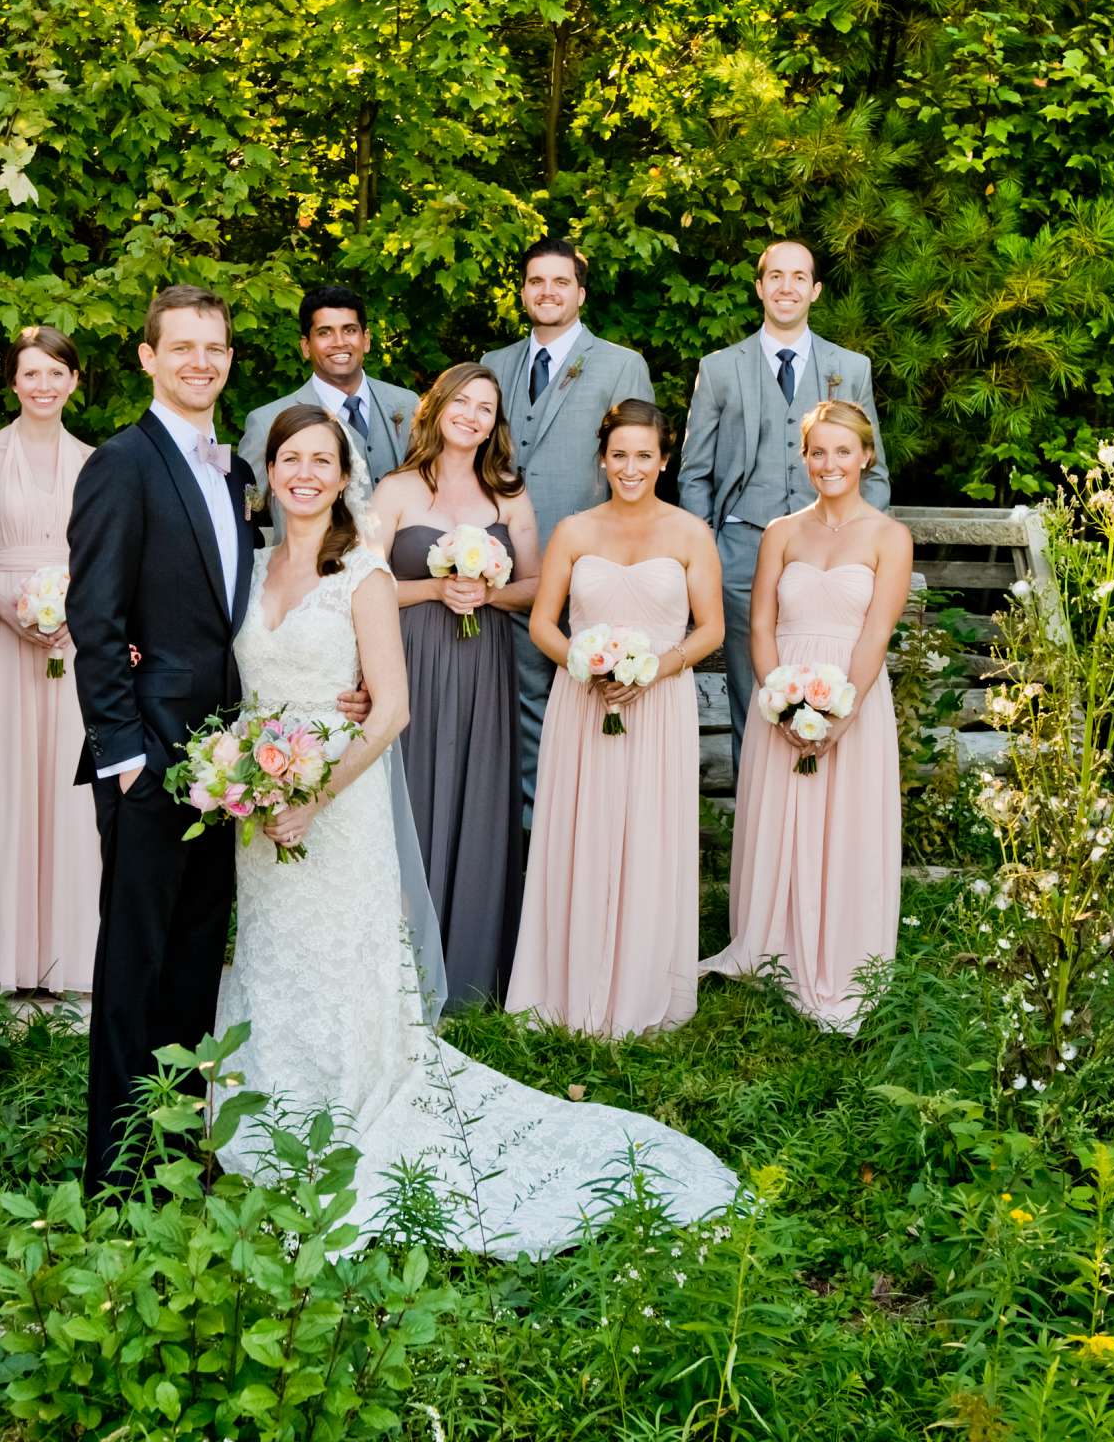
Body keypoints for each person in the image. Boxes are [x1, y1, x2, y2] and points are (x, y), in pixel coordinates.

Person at [216, 407, 737, 1258]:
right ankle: (273, 1094)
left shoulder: (366, 574)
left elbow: (391, 710)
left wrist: (316, 794)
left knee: (341, 953)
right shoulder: (248, 570)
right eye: (289, 459)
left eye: (322, 460)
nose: (303, 473)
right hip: (258, 806)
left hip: (335, 806)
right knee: (274, 951)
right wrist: (242, 771)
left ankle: (350, 1097)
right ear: (269, 471)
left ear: (344, 476)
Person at [67, 285, 368, 1194]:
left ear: (232, 360)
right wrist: (123, 757)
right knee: (135, 966)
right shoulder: (122, 464)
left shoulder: (234, 471)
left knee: (196, 960)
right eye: (183, 347)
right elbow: (94, 617)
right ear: (148, 357)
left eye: (217, 348)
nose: (202, 361)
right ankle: (117, 1175)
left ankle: (175, 1157)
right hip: (150, 761)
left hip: (226, 762)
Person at [506, 401, 722, 1037]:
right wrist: (583, 663)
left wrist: (655, 667)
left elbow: (710, 629)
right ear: (603, 459)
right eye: (620, 455)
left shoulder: (690, 533)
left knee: (651, 834)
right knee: (584, 829)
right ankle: (568, 983)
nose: (631, 467)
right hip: (584, 700)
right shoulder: (574, 531)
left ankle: (645, 983)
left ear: (664, 460)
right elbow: (544, 622)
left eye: (644, 456)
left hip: (660, 704)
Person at [700, 401, 910, 1034]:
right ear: (805, 458)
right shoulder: (781, 532)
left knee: (844, 826)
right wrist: (778, 699)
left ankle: (840, 954)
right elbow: (758, 624)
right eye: (818, 452)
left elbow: (877, 634)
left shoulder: (888, 537)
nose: (829, 463)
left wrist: (839, 716)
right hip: (782, 700)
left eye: (842, 451)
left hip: (853, 697)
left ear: (866, 457)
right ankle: (769, 945)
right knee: (779, 822)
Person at [677, 240, 890, 767]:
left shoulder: (850, 367)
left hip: (833, 560)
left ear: (815, 290)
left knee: (832, 680)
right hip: (742, 550)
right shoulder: (721, 368)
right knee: (754, 691)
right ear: (759, 287)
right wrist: (708, 555)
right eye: (776, 276)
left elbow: (875, 469)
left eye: (799, 277)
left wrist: (865, 545)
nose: (786, 287)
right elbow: (695, 472)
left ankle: (824, 810)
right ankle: (760, 814)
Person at [368, 363, 540, 1007]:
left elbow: (534, 586)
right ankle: (400, 969)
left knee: (478, 791)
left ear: (496, 423)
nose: (472, 414)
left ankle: (470, 970)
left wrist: (486, 591)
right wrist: (437, 587)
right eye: (461, 401)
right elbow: (367, 583)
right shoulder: (397, 490)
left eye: (486, 407)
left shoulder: (509, 494)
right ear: (437, 407)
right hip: (410, 660)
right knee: (410, 796)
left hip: (484, 665)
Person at [0, 327, 101, 995]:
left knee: (70, 789)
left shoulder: (97, 460)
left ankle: (69, 953)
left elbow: (102, 558)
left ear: (73, 382)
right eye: (29, 374)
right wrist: (10, 611)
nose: (42, 385)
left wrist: (76, 615)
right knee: (0, 779)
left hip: (74, 638)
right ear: (12, 382)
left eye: (54, 374)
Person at [476, 237, 655, 812]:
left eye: (560, 282)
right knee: (514, 705)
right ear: (523, 292)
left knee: (592, 704)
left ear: (580, 292)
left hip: (589, 569)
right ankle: (525, 836)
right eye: (535, 281)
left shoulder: (621, 364)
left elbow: (636, 473)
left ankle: (587, 827)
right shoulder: (493, 366)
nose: (546, 291)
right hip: (503, 573)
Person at [236, 285, 417, 529]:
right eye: (325, 333)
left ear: (366, 340)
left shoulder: (407, 405)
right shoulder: (267, 422)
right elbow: (245, 514)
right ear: (305, 346)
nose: (339, 342)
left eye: (349, 330)